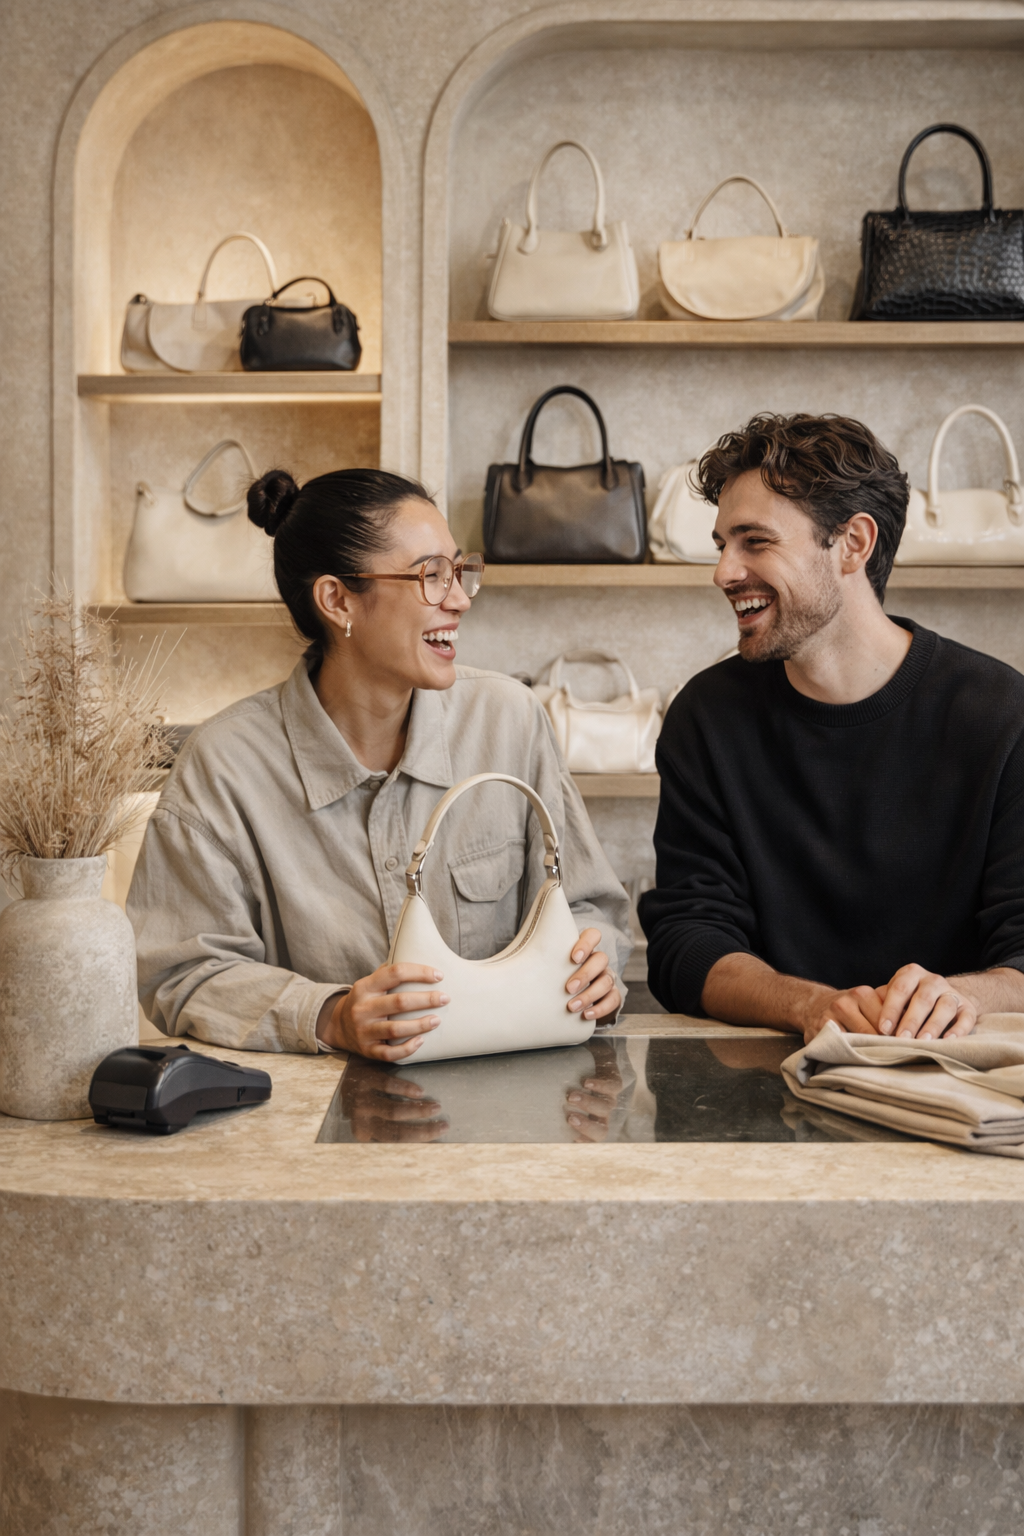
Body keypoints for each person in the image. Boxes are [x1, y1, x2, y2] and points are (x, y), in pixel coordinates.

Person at [128, 468, 630, 1058]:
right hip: (312, 1128)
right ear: (337, 599)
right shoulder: (224, 765)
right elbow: (180, 973)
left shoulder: (510, 719)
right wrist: (330, 1017)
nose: (461, 599)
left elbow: (589, 904)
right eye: (431, 576)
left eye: (461, 570)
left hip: (514, 1107)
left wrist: (598, 965)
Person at [640, 413, 1024, 1044]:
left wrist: (959, 995)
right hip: (760, 1088)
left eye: (754, 541)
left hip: (957, 1083)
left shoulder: (999, 714)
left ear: (853, 543)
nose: (723, 572)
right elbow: (687, 940)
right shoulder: (705, 718)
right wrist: (809, 1006)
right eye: (721, 545)